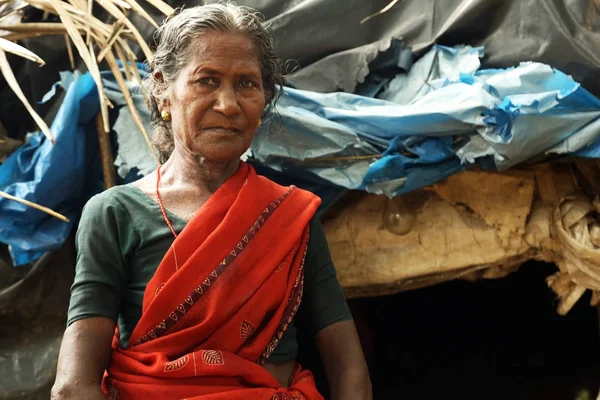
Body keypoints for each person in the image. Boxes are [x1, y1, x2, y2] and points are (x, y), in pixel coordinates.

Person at [51, 3, 371, 400]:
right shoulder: (113, 214)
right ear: (163, 91)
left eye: (246, 84)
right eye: (207, 81)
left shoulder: (291, 215)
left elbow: (348, 366)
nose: (228, 104)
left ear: (264, 100)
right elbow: (73, 386)